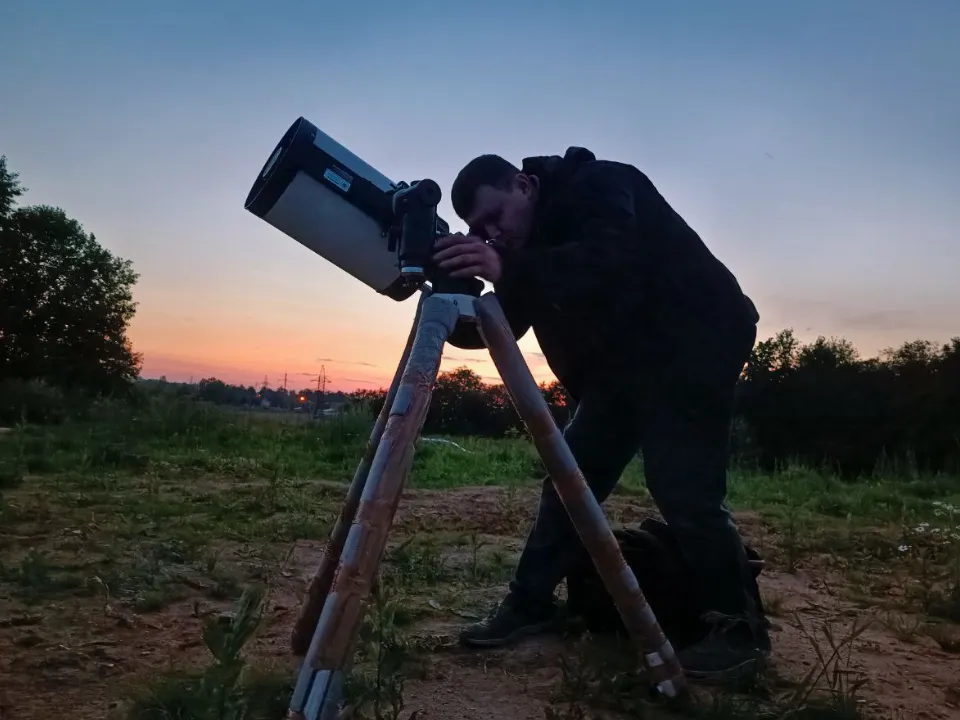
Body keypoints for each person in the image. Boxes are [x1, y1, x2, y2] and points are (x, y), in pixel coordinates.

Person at [431, 147, 769, 681]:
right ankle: (531, 603)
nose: (492, 234)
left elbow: (614, 258)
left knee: (683, 486)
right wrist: (446, 298)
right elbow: (505, 324)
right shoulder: (525, 252)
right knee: (571, 478)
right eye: (479, 230)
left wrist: (507, 265)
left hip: (696, 338)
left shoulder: (600, 183)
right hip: (626, 363)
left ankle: (739, 631)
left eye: (495, 217)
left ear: (523, 185)